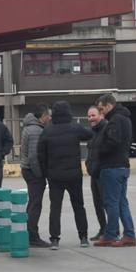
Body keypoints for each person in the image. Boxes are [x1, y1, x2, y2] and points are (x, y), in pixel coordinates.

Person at [36, 101, 92, 250]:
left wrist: (45, 172)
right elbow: (89, 134)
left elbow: (40, 155)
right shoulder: (75, 128)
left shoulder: (47, 131)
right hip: (74, 174)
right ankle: (83, 237)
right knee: (79, 206)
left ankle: (54, 239)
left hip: (54, 175)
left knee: (55, 207)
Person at [91, 94, 136, 248]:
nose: (100, 110)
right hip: (123, 165)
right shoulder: (126, 118)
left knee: (111, 202)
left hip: (112, 167)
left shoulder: (115, 120)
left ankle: (110, 234)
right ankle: (129, 234)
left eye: (101, 107)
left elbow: (112, 142)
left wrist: (99, 149)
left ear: (109, 105)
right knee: (122, 201)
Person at [20, 105, 51, 247]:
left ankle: (29, 232)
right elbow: (33, 156)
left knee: (33, 202)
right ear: (42, 116)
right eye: (48, 116)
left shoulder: (30, 127)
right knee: (35, 204)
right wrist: (40, 174)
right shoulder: (36, 131)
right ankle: (32, 235)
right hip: (33, 171)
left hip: (28, 170)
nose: (49, 118)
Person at [84, 105, 107, 239]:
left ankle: (111, 231)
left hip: (103, 173)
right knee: (97, 204)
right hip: (94, 173)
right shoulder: (92, 132)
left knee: (107, 203)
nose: (91, 118)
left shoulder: (106, 129)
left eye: (93, 115)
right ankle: (103, 229)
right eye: (89, 116)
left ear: (101, 115)